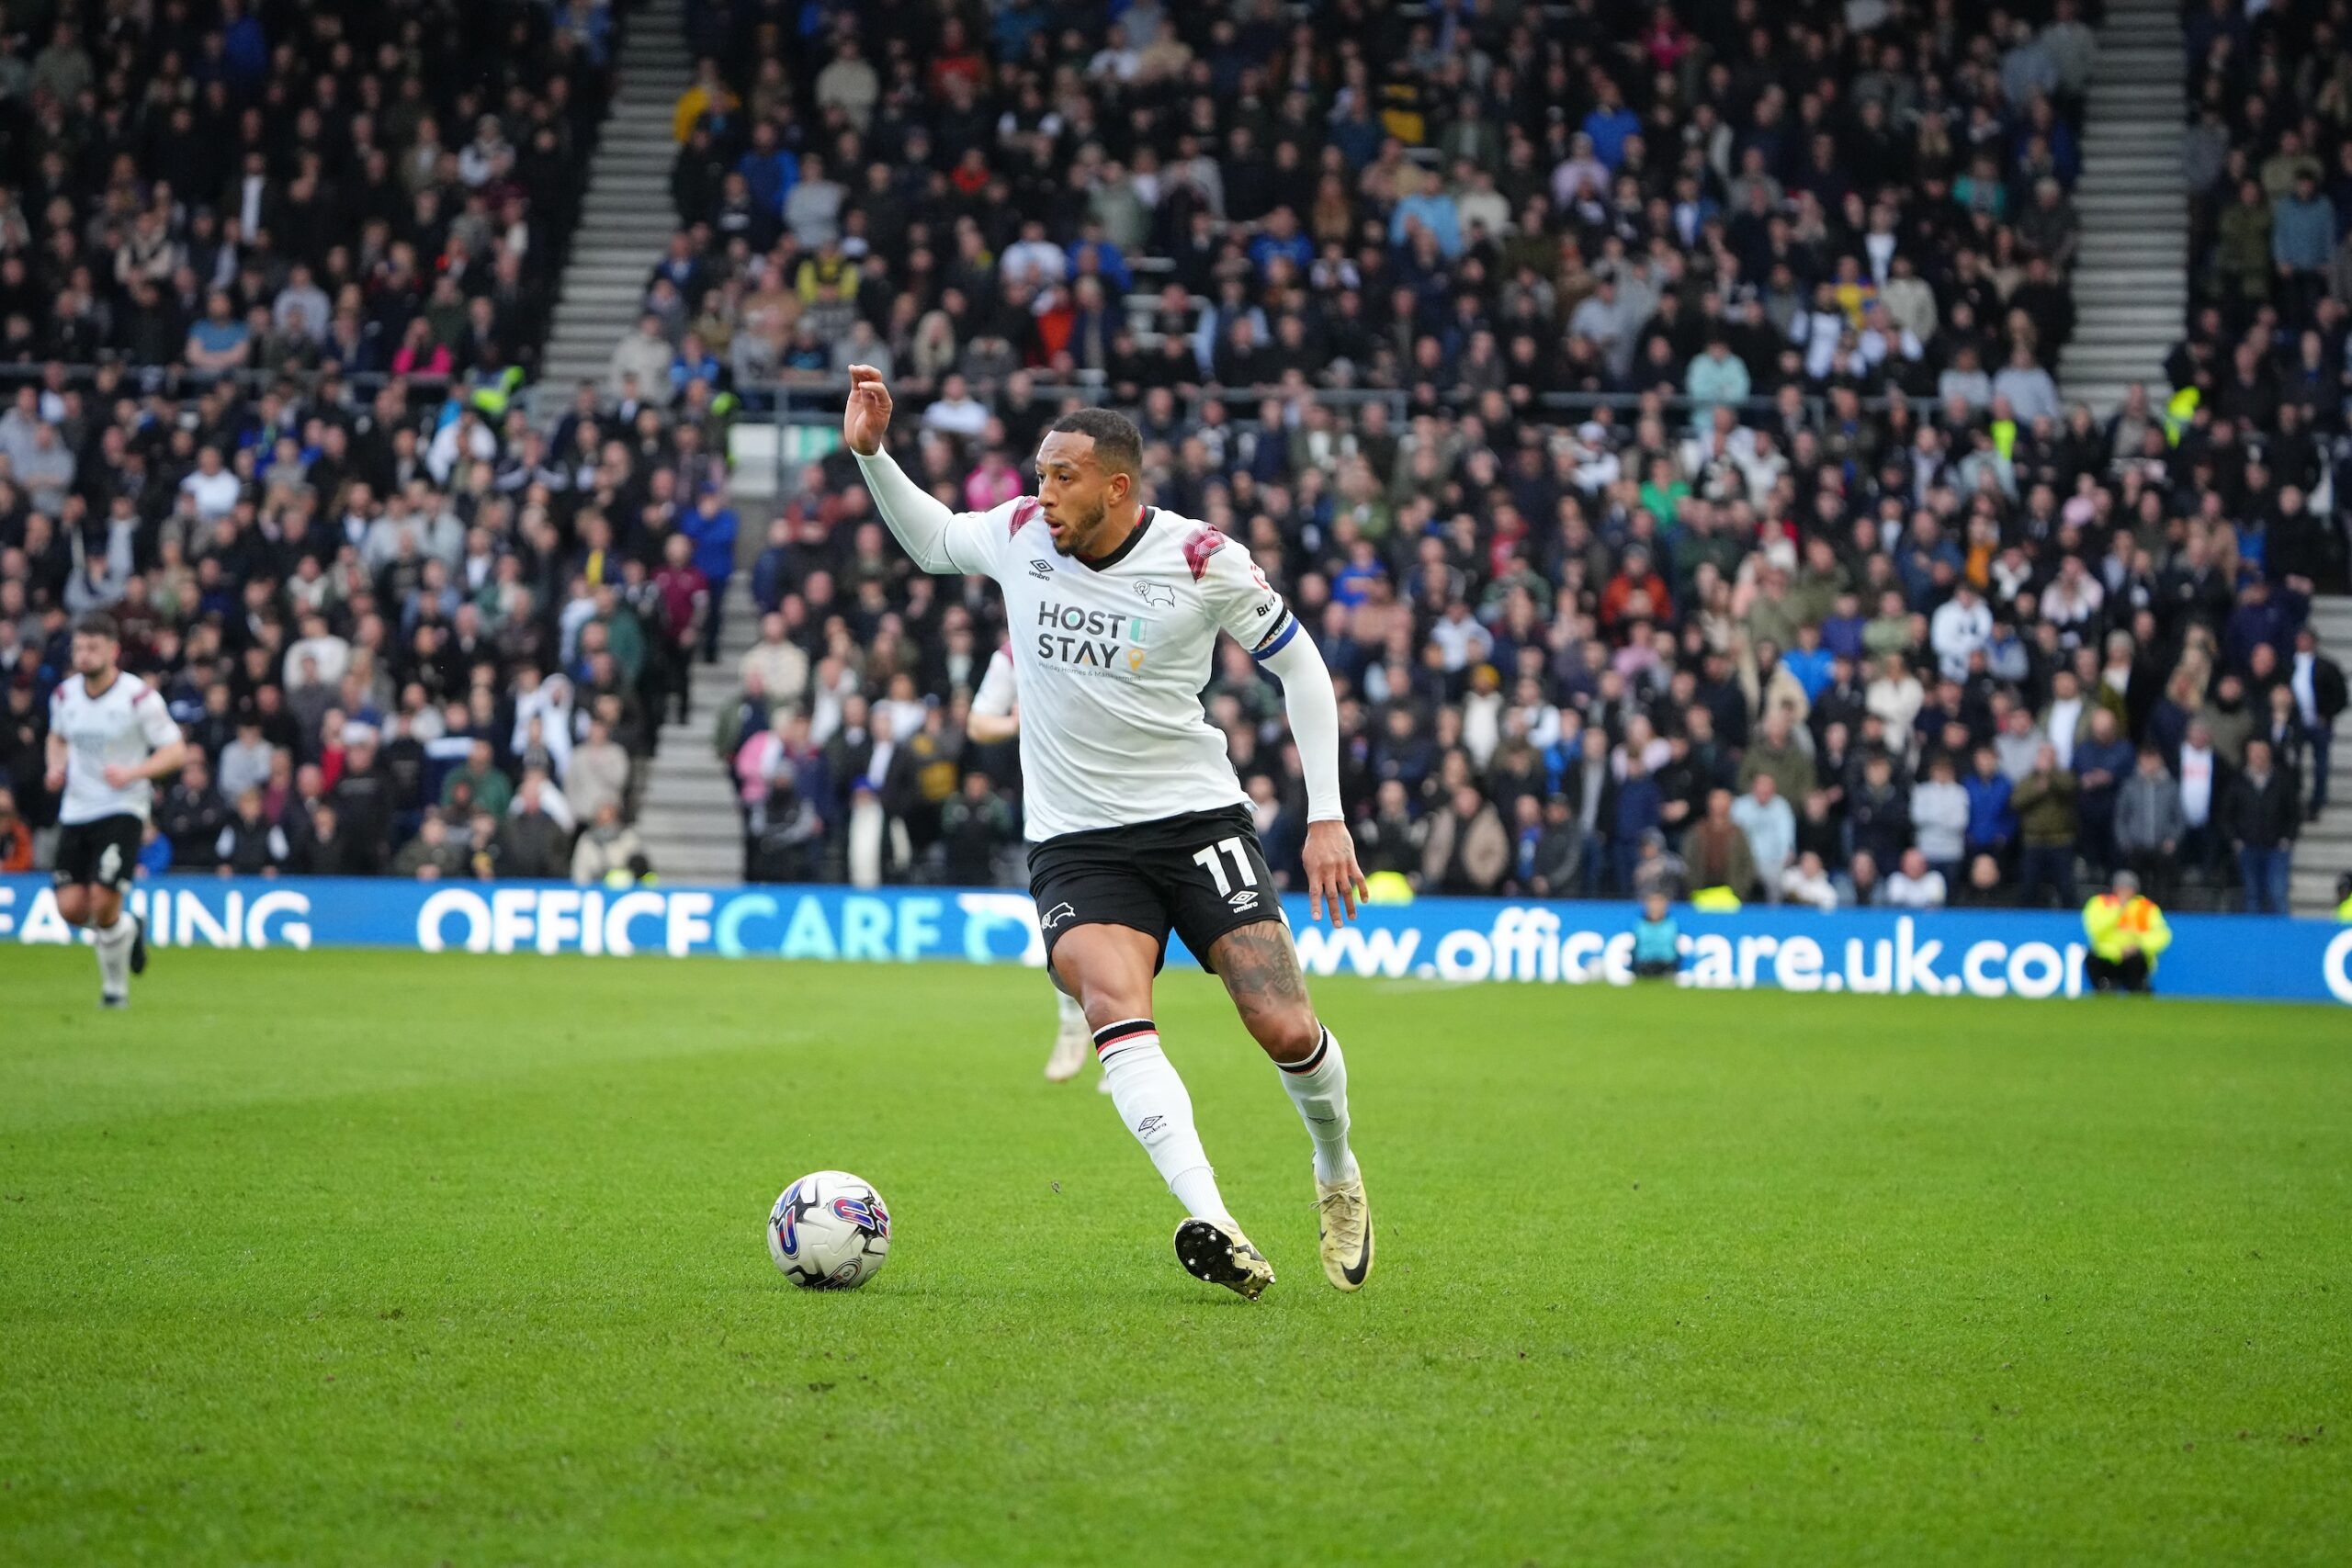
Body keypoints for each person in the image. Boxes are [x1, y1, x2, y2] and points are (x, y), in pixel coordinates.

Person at [847, 367, 1371, 1300]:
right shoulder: (1017, 535)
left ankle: (1334, 1169)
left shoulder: (1205, 559)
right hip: (1078, 841)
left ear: (1116, 486)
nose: (1040, 493)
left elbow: (1305, 672)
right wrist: (874, 455)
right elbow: (930, 540)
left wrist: (1325, 815)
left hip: (1195, 819)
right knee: (1113, 1010)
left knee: (1282, 1024)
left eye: (1061, 478)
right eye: (1039, 474)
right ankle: (1214, 1217)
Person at [966, 644, 1107, 1091]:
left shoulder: (1104, 628)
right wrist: (1016, 721)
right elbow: (977, 723)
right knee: (1063, 930)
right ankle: (1071, 1024)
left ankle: (1122, 1047)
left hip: (1117, 805)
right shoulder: (1013, 652)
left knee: (1126, 929)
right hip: (1052, 816)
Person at [41, 613, 186, 1008]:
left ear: (113, 651)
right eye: (79, 648)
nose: (84, 656)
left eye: (93, 648)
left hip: (122, 807)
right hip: (76, 809)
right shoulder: (64, 696)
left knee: (103, 901)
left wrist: (134, 772)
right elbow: (57, 738)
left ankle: (114, 991)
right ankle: (129, 927)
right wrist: (56, 766)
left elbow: (176, 750)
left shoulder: (138, 698)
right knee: (71, 908)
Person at [2083, 870, 2172, 994]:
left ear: (2135, 889)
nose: (2124, 890)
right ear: (2114, 887)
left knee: (2136, 961)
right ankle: (2103, 987)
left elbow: (2162, 935)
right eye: (2121, 886)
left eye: (2128, 887)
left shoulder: (2146, 907)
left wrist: (2138, 946)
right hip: (2107, 957)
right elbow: (2095, 931)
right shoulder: (2100, 903)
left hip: (2134, 958)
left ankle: (2138, 987)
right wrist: (2118, 910)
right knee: (2092, 956)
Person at [1631, 889, 1679, 978]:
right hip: (1643, 967)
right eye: (1652, 903)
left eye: (1659, 904)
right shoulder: (1639, 925)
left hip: (1667, 967)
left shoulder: (1672, 925)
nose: (1655, 907)